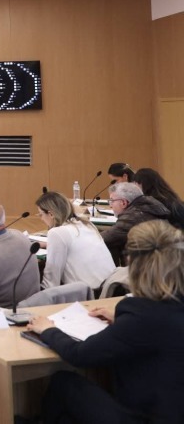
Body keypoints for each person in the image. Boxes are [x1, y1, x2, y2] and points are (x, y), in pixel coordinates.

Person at [28, 220, 184, 424]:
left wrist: (48, 330)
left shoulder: (142, 316)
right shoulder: (159, 310)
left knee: (63, 382)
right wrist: (122, 320)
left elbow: (79, 355)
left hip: (146, 417)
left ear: (132, 263)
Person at [35, 191, 115, 290]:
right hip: (111, 286)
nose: (41, 219)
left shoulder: (57, 233)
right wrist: (49, 244)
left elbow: (51, 282)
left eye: (40, 214)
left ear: (51, 214)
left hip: (89, 294)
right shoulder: (87, 224)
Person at [102, 181, 170, 265]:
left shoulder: (132, 218)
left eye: (112, 201)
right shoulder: (149, 206)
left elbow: (103, 239)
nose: (110, 205)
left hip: (148, 268)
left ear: (124, 203)